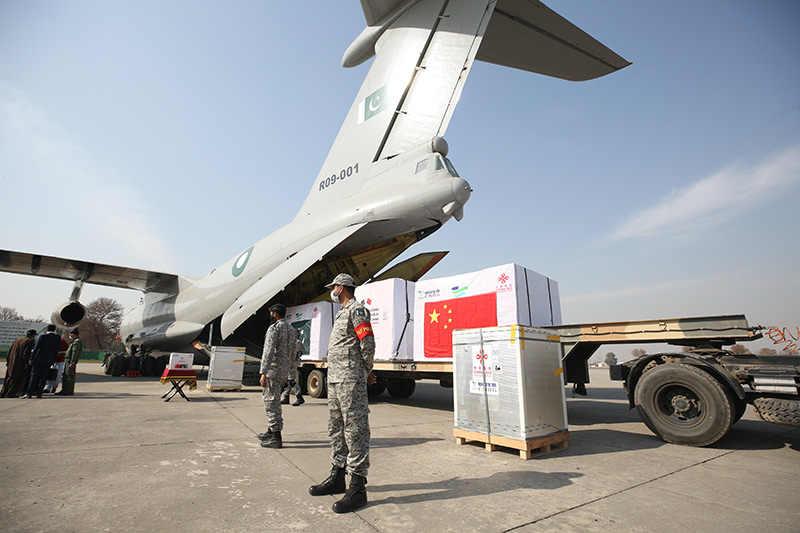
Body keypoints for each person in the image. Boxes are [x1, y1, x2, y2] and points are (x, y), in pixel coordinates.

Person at [309, 273, 375, 514]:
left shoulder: (357, 310)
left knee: (355, 430)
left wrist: (364, 370)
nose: (332, 291)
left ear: (341, 287)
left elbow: (367, 342)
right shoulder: (341, 312)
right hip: (336, 379)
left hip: (350, 378)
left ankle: (357, 487)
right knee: (336, 427)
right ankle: (338, 476)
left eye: (333, 287)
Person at [256, 303, 297, 449]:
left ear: (275, 314)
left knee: (271, 402)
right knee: (275, 401)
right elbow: (294, 353)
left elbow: (268, 351)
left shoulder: (274, 329)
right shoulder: (291, 329)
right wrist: (289, 372)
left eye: (271, 313)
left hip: (273, 371)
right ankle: (270, 430)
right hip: (283, 371)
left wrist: (263, 372)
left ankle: (276, 437)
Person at [21, 324, 61, 399]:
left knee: (34, 376)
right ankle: (39, 393)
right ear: (54, 330)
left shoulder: (42, 336)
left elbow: (36, 348)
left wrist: (31, 359)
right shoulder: (57, 338)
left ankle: (29, 393)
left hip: (39, 359)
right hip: (49, 360)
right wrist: (54, 360)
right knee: (44, 377)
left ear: (47, 330)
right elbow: (56, 350)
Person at [1, 329, 36, 398]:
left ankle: (3, 393)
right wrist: (26, 363)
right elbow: (26, 353)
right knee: (17, 378)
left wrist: (8, 361)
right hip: (20, 363)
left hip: (12, 361)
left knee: (8, 378)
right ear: (32, 335)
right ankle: (10, 394)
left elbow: (9, 351)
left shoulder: (17, 340)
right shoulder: (29, 341)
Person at [281, 336, 305, 406]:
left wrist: (289, 363)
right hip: (290, 362)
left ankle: (299, 397)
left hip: (292, 363)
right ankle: (286, 397)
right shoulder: (294, 342)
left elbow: (295, 354)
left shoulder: (296, 342)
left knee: (291, 381)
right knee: (288, 380)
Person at [58, 328, 83, 396]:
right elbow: (70, 351)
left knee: (69, 376)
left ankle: (69, 391)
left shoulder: (77, 341)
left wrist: (73, 362)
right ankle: (64, 390)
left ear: (73, 334)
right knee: (65, 376)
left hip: (70, 361)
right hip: (67, 360)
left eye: (70, 334)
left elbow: (75, 352)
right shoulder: (74, 341)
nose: (70, 335)